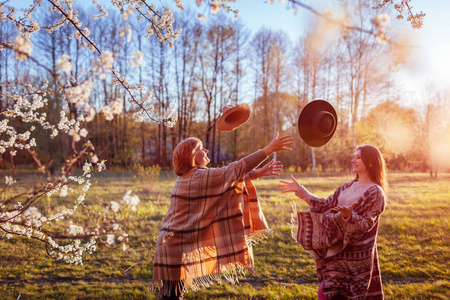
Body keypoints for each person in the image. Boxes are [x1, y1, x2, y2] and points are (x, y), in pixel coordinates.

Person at [151, 132, 294, 299]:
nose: (206, 150)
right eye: (199, 148)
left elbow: (225, 178)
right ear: (191, 156)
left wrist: (258, 173)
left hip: (171, 244)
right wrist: (268, 149)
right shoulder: (198, 176)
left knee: (174, 295)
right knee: (173, 296)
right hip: (174, 247)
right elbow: (235, 169)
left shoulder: (191, 176)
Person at [279, 145, 388, 300]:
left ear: (370, 163)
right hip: (335, 250)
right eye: (354, 156)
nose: (353, 160)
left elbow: (366, 223)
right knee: (329, 292)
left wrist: (348, 216)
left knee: (331, 292)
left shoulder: (376, 192)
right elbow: (326, 204)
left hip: (355, 256)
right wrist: (301, 191)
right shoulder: (348, 186)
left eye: (358, 157)